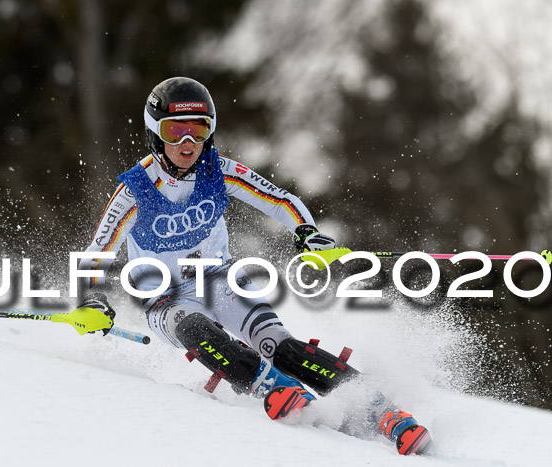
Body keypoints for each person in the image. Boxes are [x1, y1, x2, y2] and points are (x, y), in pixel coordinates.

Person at [77, 77, 431, 455]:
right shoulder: (136, 189)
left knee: (279, 344)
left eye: (198, 130)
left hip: (219, 279)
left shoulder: (219, 170)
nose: (187, 144)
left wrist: (306, 233)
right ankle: (272, 386)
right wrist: (91, 300)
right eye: (175, 131)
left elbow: (279, 200)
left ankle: (381, 410)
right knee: (195, 328)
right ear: (154, 133)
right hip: (163, 296)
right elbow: (96, 253)